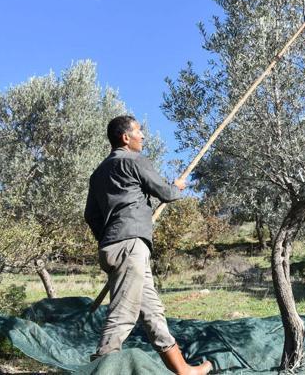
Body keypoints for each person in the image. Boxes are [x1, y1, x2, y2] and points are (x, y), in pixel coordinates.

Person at [84, 115, 212, 375]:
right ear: (125, 137)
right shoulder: (134, 161)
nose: (143, 136)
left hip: (113, 247)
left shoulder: (98, 173)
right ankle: (100, 368)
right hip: (130, 246)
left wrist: (110, 237)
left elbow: (91, 216)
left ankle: (184, 371)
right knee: (122, 316)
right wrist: (176, 187)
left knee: (153, 314)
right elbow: (164, 192)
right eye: (139, 131)